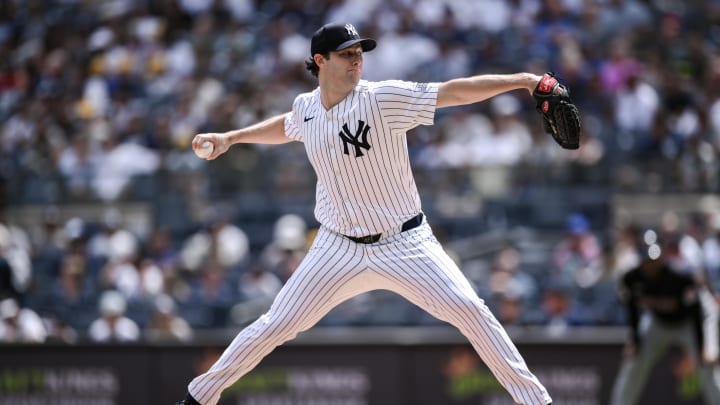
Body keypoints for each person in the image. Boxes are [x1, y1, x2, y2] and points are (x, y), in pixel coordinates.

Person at [177, 22, 553, 405]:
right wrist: (231, 138)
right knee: (274, 325)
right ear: (320, 61)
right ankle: (199, 398)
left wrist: (524, 80)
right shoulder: (306, 107)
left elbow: (452, 91)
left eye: (359, 53)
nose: (357, 60)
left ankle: (537, 402)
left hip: (405, 242)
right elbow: (288, 126)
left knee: (472, 311)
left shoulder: (381, 98)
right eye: (346, 54)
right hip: (336, 247)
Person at [610, 231, 720, 405]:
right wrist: (635, 340)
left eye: (654, 259)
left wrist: (703, 347)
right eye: (646, 259)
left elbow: (697, 310)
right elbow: (632, 309)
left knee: (707, 364)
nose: (650, 264)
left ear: (662, 256)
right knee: (634, 362)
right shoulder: (631, 278)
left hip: (690, 323)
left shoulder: (680, 275)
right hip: (658, 322)